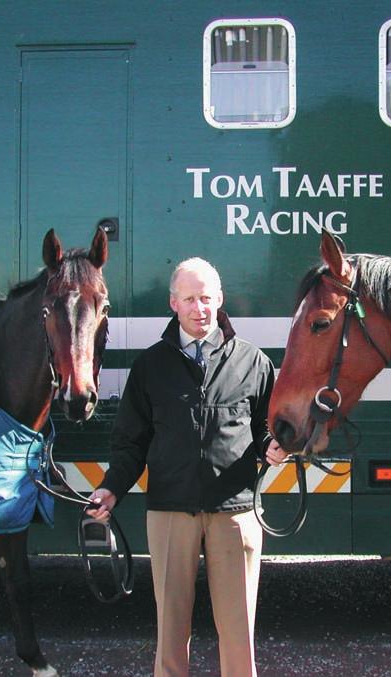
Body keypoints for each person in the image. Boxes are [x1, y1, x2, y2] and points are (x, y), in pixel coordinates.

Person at [86, 257, 289, 677]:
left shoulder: (253, 362)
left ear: (221, 301)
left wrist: (274, 445)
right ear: (173, 304)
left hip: (235, 512)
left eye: (208, 298)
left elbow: (268, 426)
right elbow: (131, 442)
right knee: (170, 628)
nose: (201, 308)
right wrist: (112, 487)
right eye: (191, 299)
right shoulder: (150, 366)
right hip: (170, 511)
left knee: (237, 631)